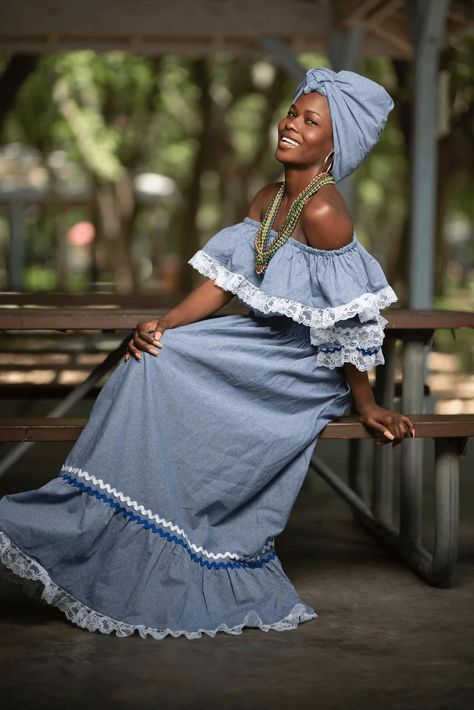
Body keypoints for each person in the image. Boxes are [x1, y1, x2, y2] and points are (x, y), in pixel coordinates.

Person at [0, 68, 415, 639]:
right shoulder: (270, 197)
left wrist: (365, 403)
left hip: (305, 367)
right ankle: (90, 515)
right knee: (156, 355)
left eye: (309, 121)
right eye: (293, 112)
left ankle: (158, 529)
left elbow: (347, 324)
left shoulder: (325, 213)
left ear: (333, 143)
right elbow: (224, 283)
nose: (290, 124)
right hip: (262, 341)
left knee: (168, 369)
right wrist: (163, 322)